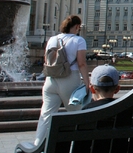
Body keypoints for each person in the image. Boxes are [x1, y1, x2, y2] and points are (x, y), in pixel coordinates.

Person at [33, 15, 91, 146]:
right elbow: (82, 63)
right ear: (76, 26)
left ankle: (37, 145)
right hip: (69, 79)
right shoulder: (78, 40)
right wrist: (87, 83)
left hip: (51, 80)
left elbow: (47, 61)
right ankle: (77, 145)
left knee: (46, 115)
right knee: (76, 114)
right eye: (79, 27)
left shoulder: (52, 39)